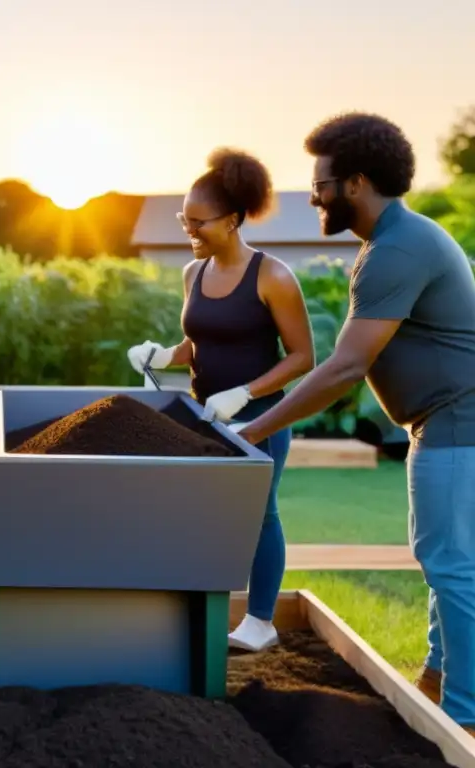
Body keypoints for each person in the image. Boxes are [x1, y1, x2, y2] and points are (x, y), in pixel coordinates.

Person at [238, 112, 475, 732]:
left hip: (458, 420)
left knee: (450, 565)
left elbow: (344, 368)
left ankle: (465, 716)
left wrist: (253, 431)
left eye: (320, 183)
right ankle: (437, 679)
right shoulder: (394, 240)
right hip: (445, 422)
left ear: (355, 184)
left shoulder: (397, 249)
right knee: (443, 560)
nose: (313, 194)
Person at [126, 148, 315, 652]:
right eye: (182, 220)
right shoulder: (194, 274)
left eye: (197, 222)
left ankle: (260, 621)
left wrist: (246, 393)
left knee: (260, 514)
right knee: (199, 512)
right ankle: (193, 612)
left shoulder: (272, 277)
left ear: (232, 220)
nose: (188, 231)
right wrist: (163, 353)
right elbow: (198, 344)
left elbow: (303, 358)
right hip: (203, 417)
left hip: (261, 417)